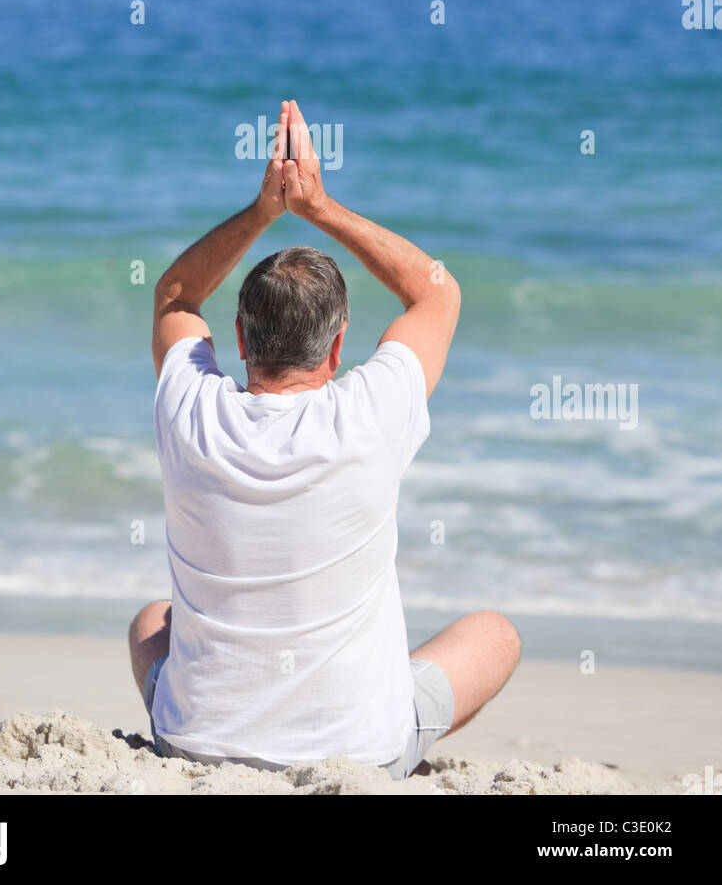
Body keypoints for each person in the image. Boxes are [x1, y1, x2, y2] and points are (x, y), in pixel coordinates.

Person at [129, 99, 520, 778]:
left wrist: (262, 212)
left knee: (149, 621)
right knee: (496, 635)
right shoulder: (370, 412)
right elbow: (436, 293)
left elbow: (175, 296)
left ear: (242, 340)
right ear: (339, 346)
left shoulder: (189, 405)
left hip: (195, 745)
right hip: (361, 755)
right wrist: (319, 206)